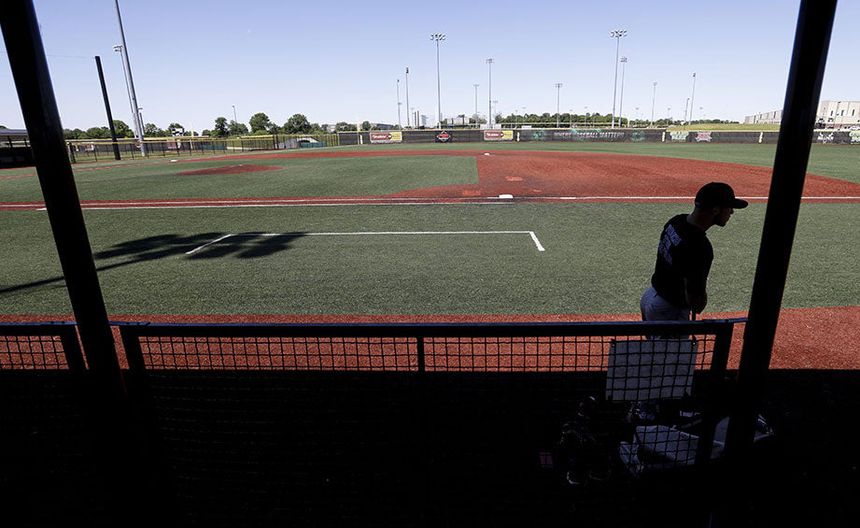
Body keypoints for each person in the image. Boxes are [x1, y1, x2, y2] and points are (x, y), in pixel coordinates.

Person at [641, 182, 748, 321]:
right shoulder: (699, 246)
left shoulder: (676, 221)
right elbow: (696, 299)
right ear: (715, 210)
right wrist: (699, 301)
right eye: (729, 208)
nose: (732, 212)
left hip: (650, 297)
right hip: (669, 310)